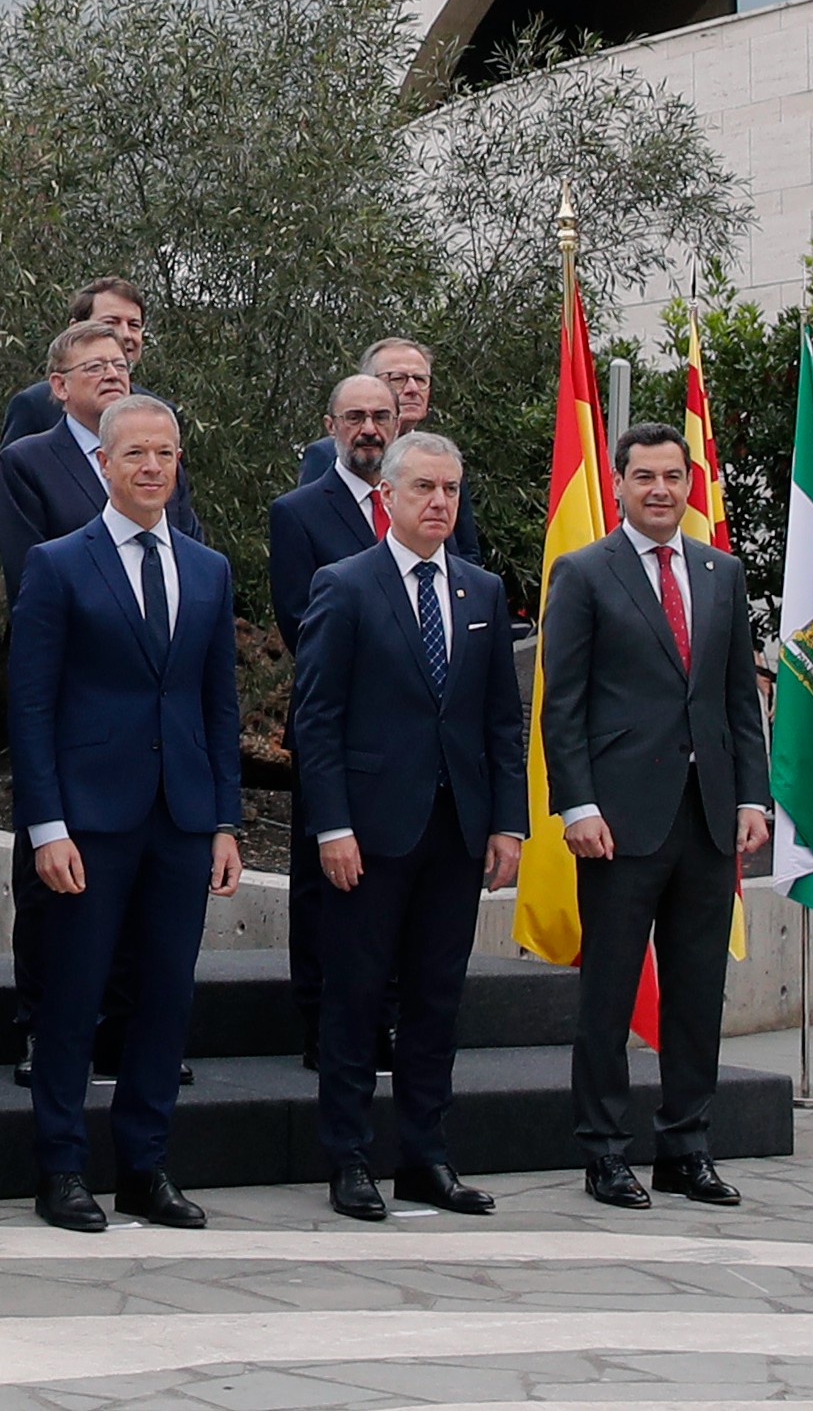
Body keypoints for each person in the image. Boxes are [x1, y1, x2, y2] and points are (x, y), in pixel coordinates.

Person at [8, 394, 242, 1234]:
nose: (152, 467)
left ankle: (146, 1166)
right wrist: (46, 827)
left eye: (167, 453)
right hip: (89, 823)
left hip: (180, 820)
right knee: (72, 999)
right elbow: (29, 707)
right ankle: (63, 1169)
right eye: (136, 453)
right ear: (103, 464)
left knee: (164, 1000)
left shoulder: (207, 570)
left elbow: (219, 707)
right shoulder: (58, 563)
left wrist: (225, 821)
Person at [292, 430, 523, 1221]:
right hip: (370, 831)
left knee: (436, 1001)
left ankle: (427, 1156)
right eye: (424, 488)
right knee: (355, 1002)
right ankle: (349, 1158)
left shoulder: (481, 592)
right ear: (386, 495)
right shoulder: (345, 584)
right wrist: (331, 827)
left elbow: (500, 720)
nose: (439, 503)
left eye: (451, 490)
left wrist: (508, 825)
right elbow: (316, 720)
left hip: (456, 830)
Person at [543, 422, 769, 1211]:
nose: (662, 491)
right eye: (645, 477)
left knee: (699, 990)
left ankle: (687, 1145)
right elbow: (561, 704)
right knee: (608, 991)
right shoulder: (584, 573)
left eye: (674, 477)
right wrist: (576, 804)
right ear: (621, 484)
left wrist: (751, 797)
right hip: (617, 822)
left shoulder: (722, 573)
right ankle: (605, 1151)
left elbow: (739, 697)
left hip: (708, 818)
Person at [0, 320, 203, 1088]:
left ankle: (135, 1049)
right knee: (62, 915)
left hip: (162, 754)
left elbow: (189, 555)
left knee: (147, 939)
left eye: (122, 362)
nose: (115, 373)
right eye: (95, 364)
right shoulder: (30, 465)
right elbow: (30, 584)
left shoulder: (163, 468)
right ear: (58, 385)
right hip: (82, 722)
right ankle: (43, 1034)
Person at [268, 373, 402, 1070]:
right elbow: (300, 624)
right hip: (337, 723)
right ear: (331, 426)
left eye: (382, 415)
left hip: (415, 734)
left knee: (399, 876)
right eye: (356, 417)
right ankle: (322, 1024)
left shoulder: (427, 501)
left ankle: (388, 1018)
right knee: (324, 882)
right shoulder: (298, 513)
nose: (370, 429)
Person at [297, 338, 482, 564]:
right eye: (398, 379)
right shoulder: (327, 456)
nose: (412, 389)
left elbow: (465, 550)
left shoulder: (441, 458)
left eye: (420, 379)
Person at [0, 277, 153, 448]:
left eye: (134, 325)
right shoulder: (35, 406)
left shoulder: (159, 412)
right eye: (110, 323)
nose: (125, 334)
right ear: (75, 328)